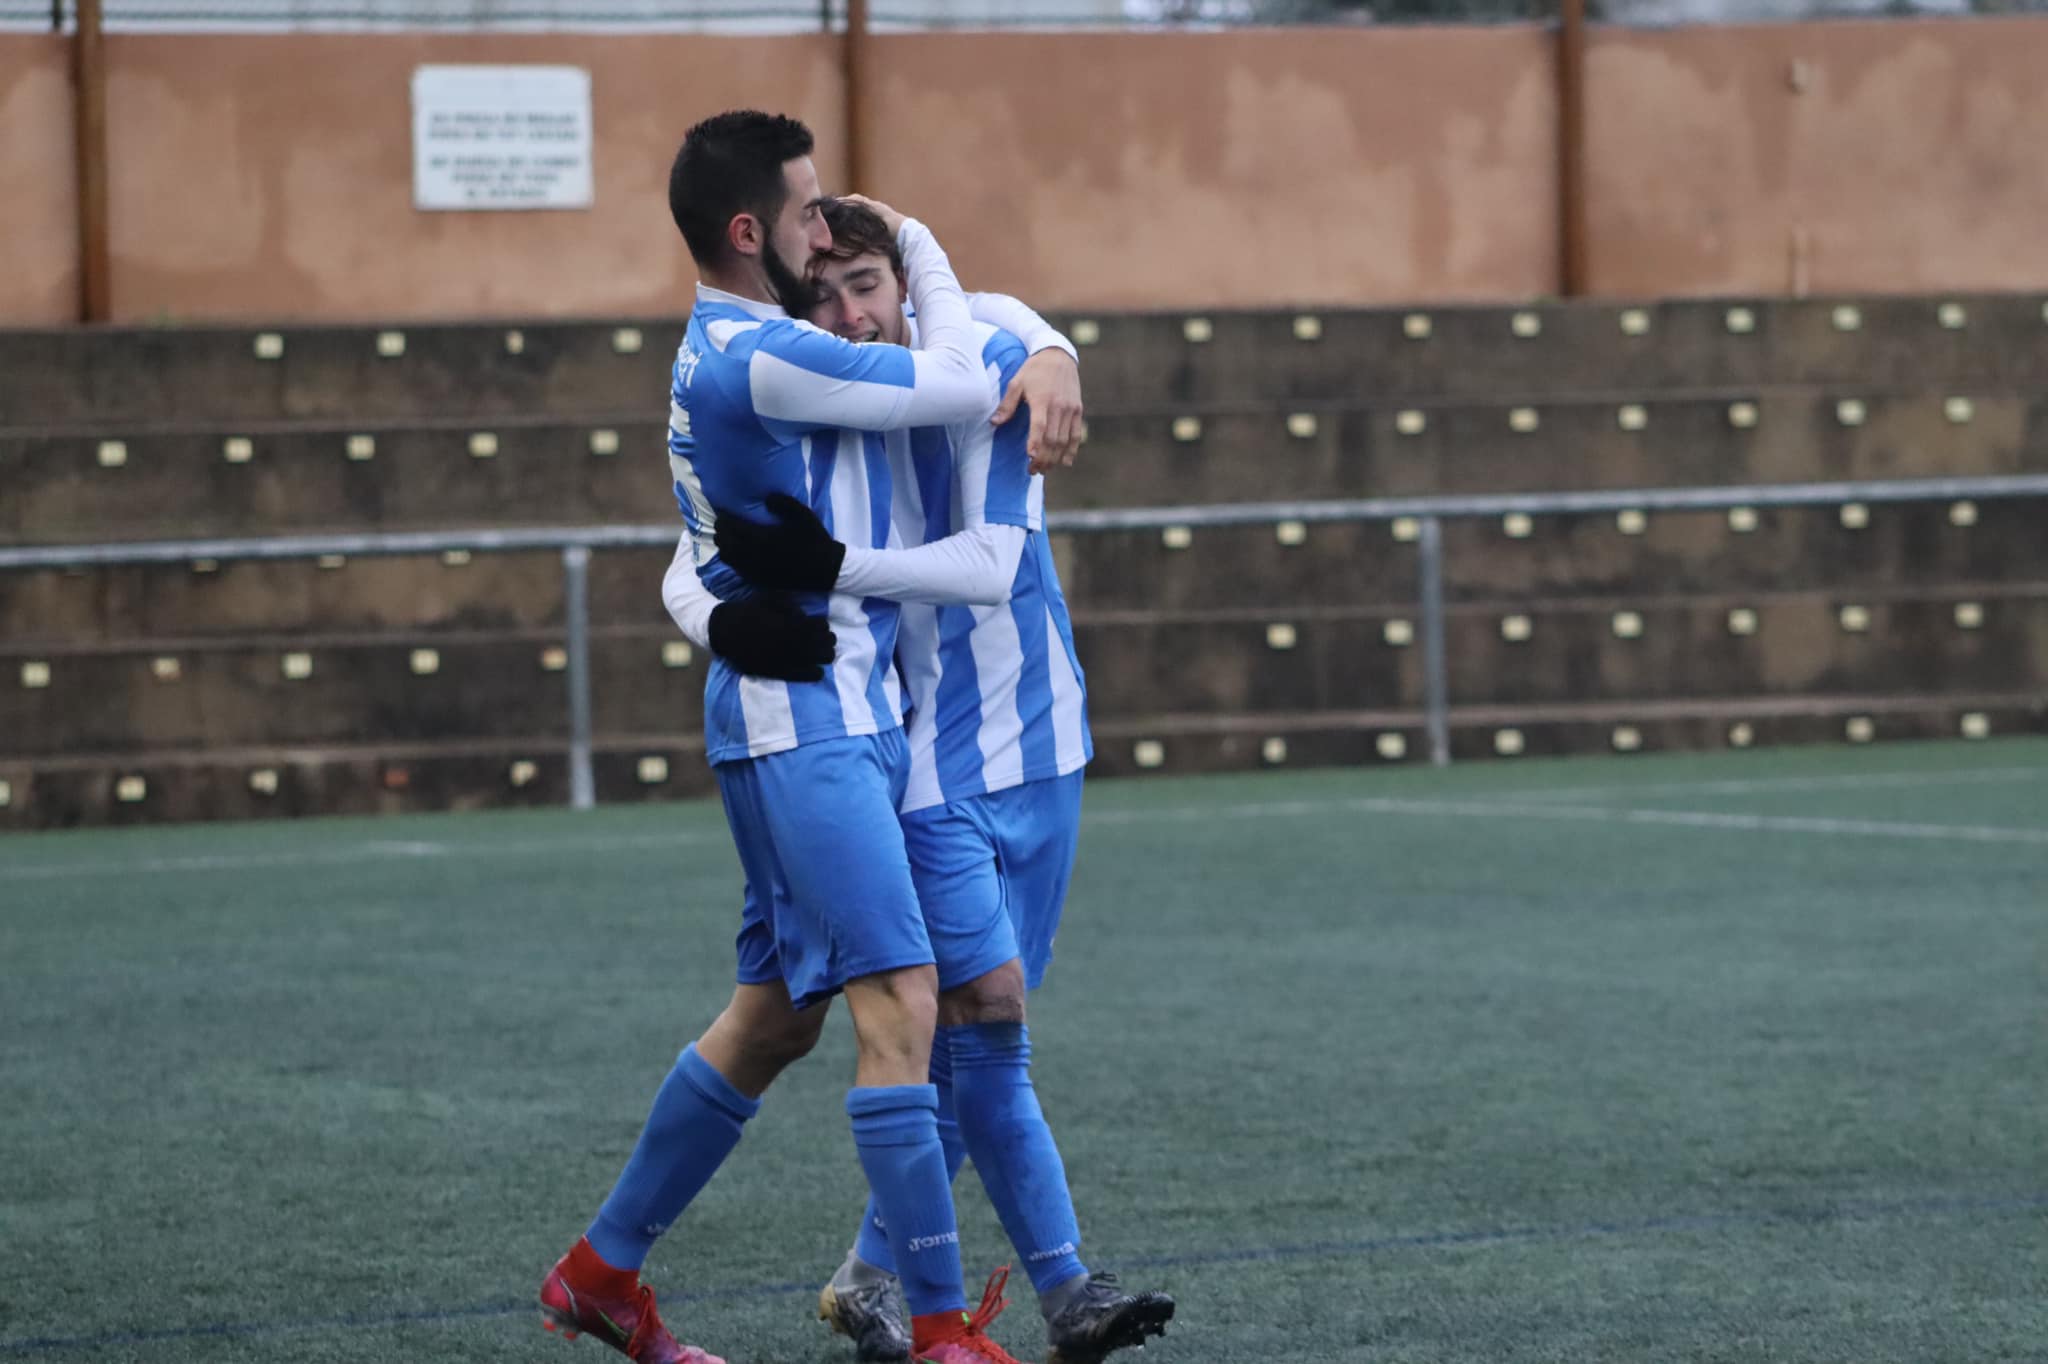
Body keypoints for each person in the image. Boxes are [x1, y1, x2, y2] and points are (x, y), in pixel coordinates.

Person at [537, 110, 1080, 1364]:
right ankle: (939, 1328)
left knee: (776, 1015)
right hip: (810, 720)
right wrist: (930, 243)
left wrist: (1045, 341)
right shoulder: (769, 355)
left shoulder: (752, 344)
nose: (823, 226)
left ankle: (600, 1271)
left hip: (817, 711)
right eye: (803, 212)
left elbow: (707, 540)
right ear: (749, 233)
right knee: (902, 1002)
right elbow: (948, 373)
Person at [663, 196, 1175, 1364]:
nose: (849, 311)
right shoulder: (815, 388)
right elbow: (688, 552)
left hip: (1047, 744)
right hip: (926, 767)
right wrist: (721, 620)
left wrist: (1053, 352)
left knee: (976, 1028)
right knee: (980, 1017)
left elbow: (994, 551)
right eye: (824, 292)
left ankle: (870, 1275)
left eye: (866, 284)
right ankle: (1062, 1288)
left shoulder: (983, 348)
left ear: (904, 278)